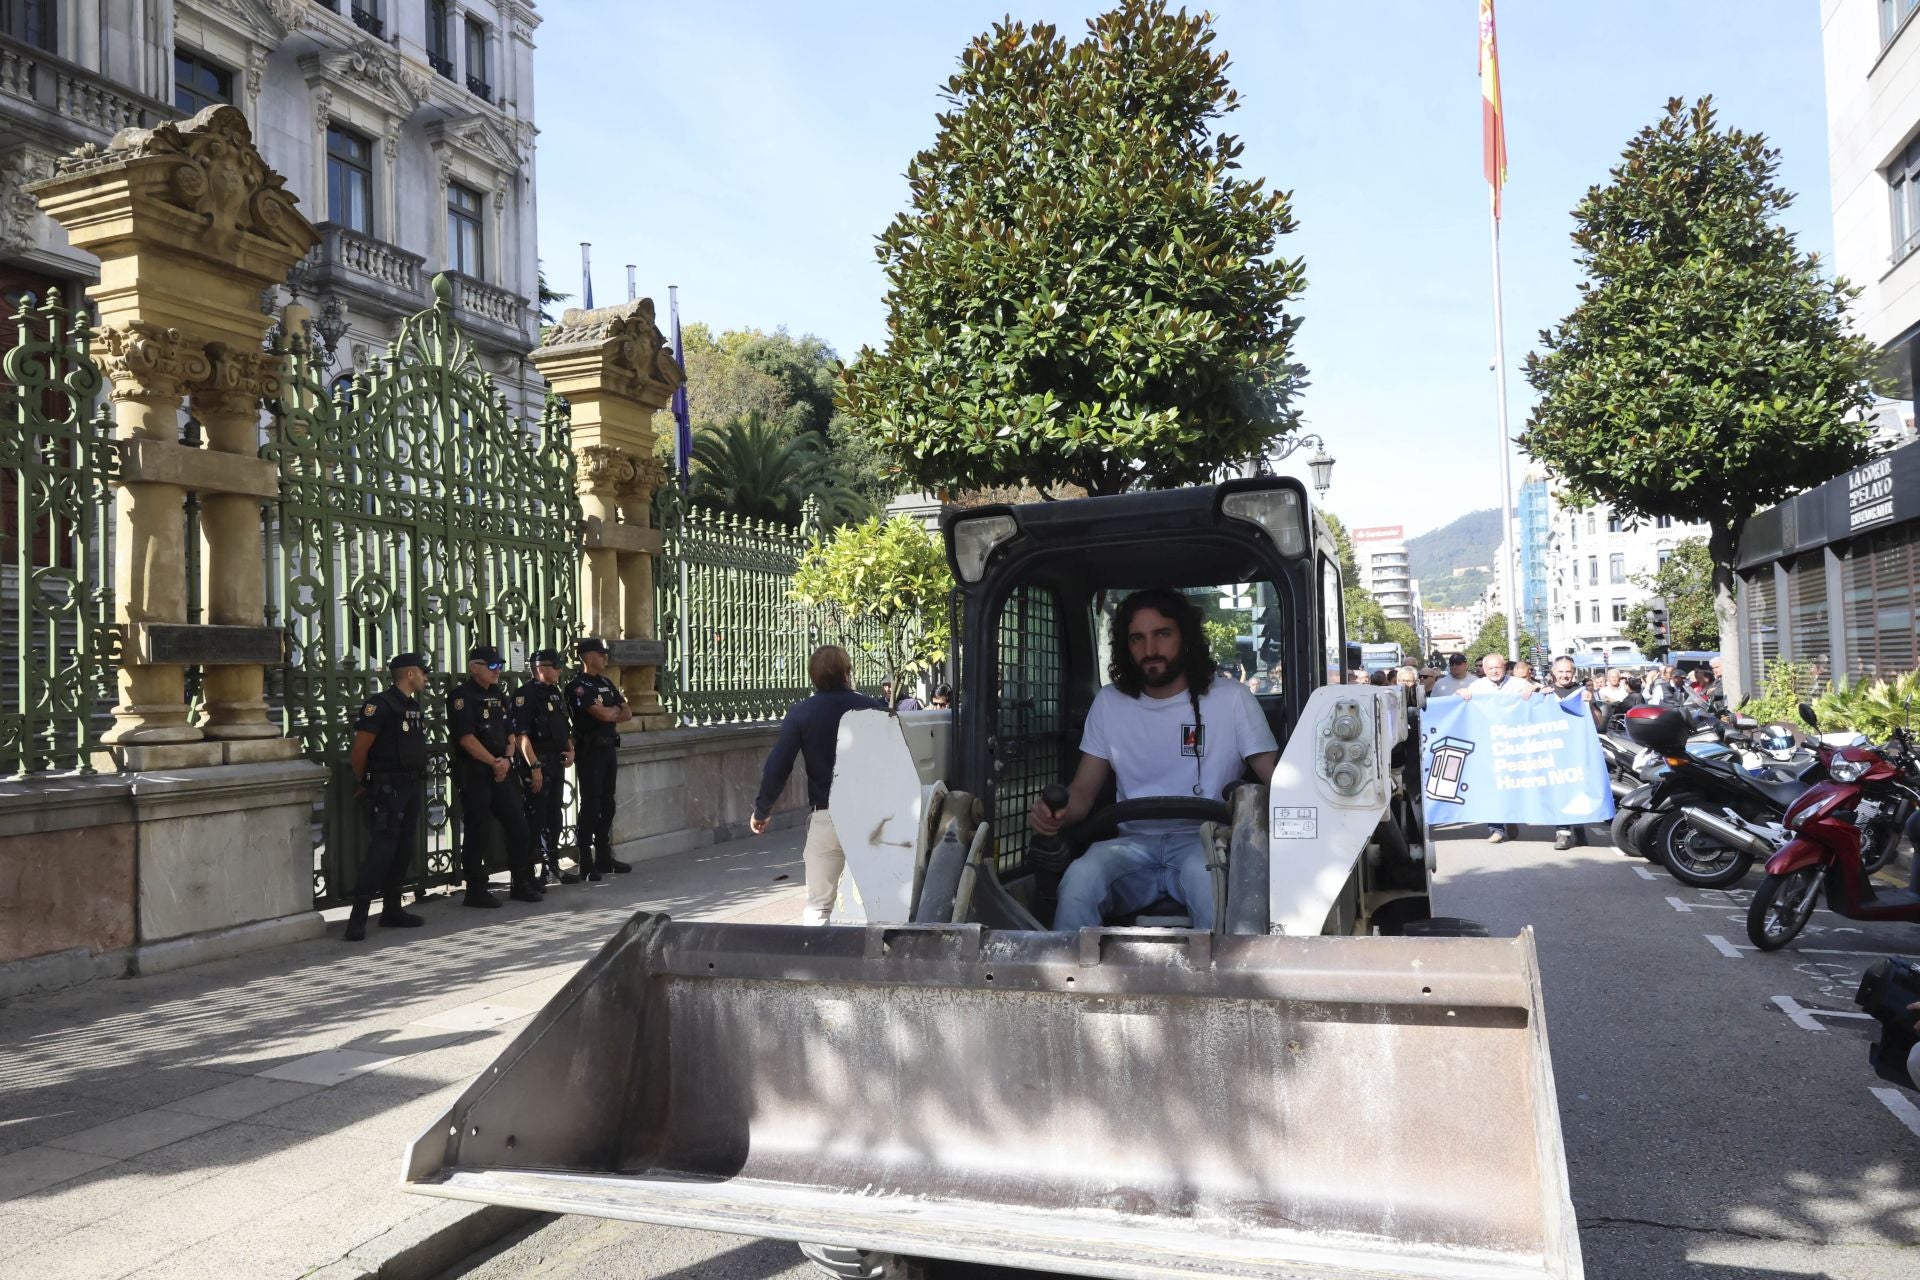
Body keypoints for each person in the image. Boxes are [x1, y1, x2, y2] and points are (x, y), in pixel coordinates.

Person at [1032, 589, 1278, 931]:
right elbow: (1083, 793)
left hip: (1205, 843)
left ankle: (1224, 982)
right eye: (1137, 639)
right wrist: (1053, 815)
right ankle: (1068, 980)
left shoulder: (1232, 699)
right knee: (1079, 879)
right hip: (1131, 845)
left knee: (1213, 889)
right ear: (1125, 646)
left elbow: (1278, 786)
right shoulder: (1109, 703)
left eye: (1162, 634)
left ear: (1186, 637)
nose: (1150, 650)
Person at [750, 645, 888, 925]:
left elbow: (778, 766)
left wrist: (762, 810)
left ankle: (817, 964)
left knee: (819, 906)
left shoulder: (801, 713)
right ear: (847, 673)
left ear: (813, 677)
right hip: (870, 817)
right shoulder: (873, 708)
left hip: (827, 814)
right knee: (880, 901)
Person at [342, 652, 432, 941]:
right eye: (423, 672)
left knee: (403, 849)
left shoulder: (412, 706)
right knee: (382, 850)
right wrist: (367, 782)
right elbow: (359, 752)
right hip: (387, 788)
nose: (426, 677)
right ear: (409, 674)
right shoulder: (379, 706)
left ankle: (392, 909)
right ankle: (358, 918)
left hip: (409, 786)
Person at [447, 644, 540, 907]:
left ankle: (520, 882)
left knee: (518, 825)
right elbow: (466, 739)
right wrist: (493, 762)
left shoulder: (499, 695)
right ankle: (475, 889)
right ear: (474, 667)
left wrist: (507, 759)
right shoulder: (460, 697)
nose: (498, 671)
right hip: (476, 771)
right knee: (479, 829)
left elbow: (510, 732)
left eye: (500, 666)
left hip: (503, 769)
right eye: (493, 666)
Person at [569, 637, 633, 878]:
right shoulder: (578, 686)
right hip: (590, 752)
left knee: (608, 804)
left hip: (608, 750)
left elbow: (626, 713)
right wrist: (612, 711)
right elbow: (604, 714)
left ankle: (605, 858)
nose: (605, 657)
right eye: (600, 653)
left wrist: (612, 711)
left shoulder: (606, 682)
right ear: (587, 657)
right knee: (592, 805)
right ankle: (586, 860)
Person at [1460, 653, 1537, 843]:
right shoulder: (1476, 687)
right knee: (1491, 786)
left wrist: (1535, 688)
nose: (1494, 671)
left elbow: (1539, 690)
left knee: (1512, 784)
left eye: (1498, 667)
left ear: (1504, 668)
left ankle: (1511, 816)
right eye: (1490, 668)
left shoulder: (1518, 684)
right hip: (1488, 744)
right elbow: (1460, 705)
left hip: (1514, 743)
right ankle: (1496, 828)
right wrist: (1459, 694)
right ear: (1484, 670)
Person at [513, 648, 575, 886]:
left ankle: (551, 867)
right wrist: (535, 767)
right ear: (541, 668)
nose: (560, 671)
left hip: (555, 764)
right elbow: (521, 736)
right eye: (556, 666)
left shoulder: (554, 693)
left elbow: (562, 725)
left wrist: (570, 748)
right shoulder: (525, 695)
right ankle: (529, 873)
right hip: (537, 765)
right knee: (535, 818)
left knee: (553, 816)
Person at [1545, 656, 1592, 851]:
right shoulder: (1544, 692)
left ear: (1574, 673)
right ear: (1553, 673)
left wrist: (1592, 701)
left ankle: (1579, 826)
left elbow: (1596, 721)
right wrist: (1532, 691)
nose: (1564, 675)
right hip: (1554, 749)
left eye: (1568, 671)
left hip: (1577, 749)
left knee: (1578, 789)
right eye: (1560, 671)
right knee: (1560, 790)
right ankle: (1562, 832)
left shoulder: (1583, 692)